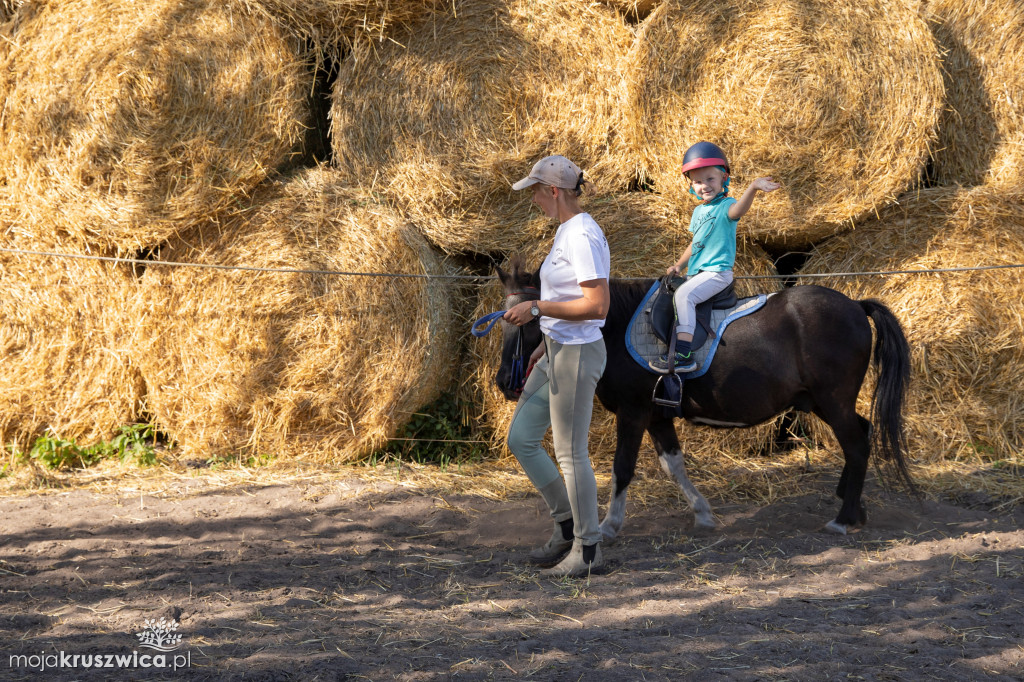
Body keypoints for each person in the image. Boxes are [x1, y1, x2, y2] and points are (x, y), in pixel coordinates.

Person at [503, 155, 610, 577]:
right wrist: (545, 342)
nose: (532, 199)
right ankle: (567, 525)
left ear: (553, 191)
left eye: (534, 190)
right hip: (557, 349)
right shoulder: (568, 231)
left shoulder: (581, 235)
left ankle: (588, 550)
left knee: (570, 454)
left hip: (578, 353)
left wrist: (536, 308)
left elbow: (596, 305)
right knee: (522, 437)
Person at [651, 141, 780, 374]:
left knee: (684, 296)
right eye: (698, 182)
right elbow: (696, 243)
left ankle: (683, 355)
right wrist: (679, 265)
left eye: (710, 179)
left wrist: (752, 188)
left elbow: (738, 211)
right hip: (696, 273)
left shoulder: (726, 206)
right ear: (692, 185)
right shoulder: (699, 212)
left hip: (717, 273)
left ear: (724, 179)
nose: (704, 186)